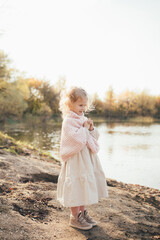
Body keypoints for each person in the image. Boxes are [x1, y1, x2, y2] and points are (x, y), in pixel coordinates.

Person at [57, 86, 108, 230]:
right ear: (69, 104)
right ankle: (74, 216)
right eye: (80, 105)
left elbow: (93, 138)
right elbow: (76, 139)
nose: (83, 108)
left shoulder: (83, 118)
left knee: (84, 186)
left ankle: (83, 212)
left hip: (86, 159)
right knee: (75, 185)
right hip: (75, 159)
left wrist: (91, 129)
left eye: (85, 105)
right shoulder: (68, 121)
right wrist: (85, 129)